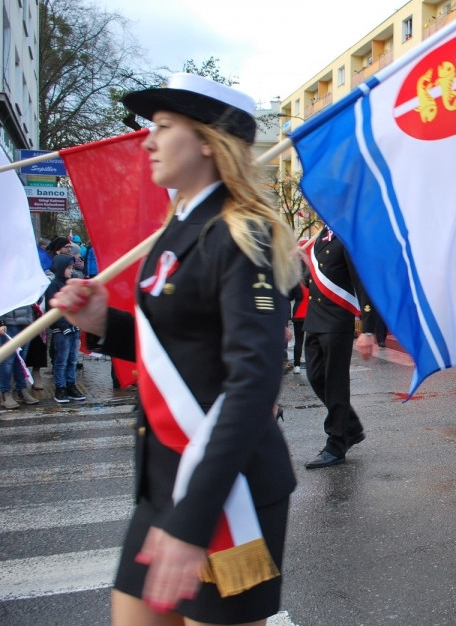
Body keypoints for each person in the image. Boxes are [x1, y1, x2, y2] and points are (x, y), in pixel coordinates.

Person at [49, 72, 300, 624]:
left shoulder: (246, 235)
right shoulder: (177, 229)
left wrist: (193, 523)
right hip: (166, 477)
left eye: (164, 127)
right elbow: (179, 345)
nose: (148, 141)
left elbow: (253, 384)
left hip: (225, 487)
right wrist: (100, 321)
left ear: (210, 141)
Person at [301, 222, 378, 468]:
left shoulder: (348, 234)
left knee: (335, 384)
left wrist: (367, 329)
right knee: (315, 377)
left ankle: (336, 444)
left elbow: (363, 283)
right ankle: (351, 427)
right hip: (314, 319)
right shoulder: (321, 236)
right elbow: (309, 280)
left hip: (336, 321)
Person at [45, 255, 86, 404]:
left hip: (74, 327)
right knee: (61, 360)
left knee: (72, 359)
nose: (71, 270)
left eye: (71, 268)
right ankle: (60, 388)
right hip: (61, 330)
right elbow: (53, 309)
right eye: (68, 268)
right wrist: (63, 325)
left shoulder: (69, 285)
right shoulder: (53, 286)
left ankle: (71, 385)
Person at [0, 304, 40, 409]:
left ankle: (21, 390)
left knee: (21, 361)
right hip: (9, 323)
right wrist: (1, 322)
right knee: (8, 361)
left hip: (26, 322)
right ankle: (5, 393)